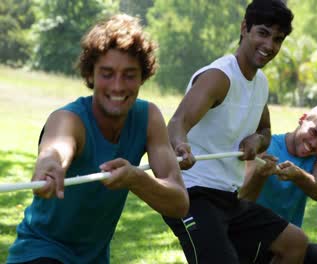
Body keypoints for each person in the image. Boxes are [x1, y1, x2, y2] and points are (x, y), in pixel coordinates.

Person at [6, 14, 189, 264]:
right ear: (90, 75)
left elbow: (179, 202)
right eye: (107, 73)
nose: (117, 86)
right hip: (41, 252)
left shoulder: (149, 118)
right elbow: (57, 148)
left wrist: (136, 179)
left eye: (129, 75)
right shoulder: (69, 118)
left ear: (143, 77)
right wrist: (49, 167)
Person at [164, 0, 309, 263]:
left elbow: (265, 130)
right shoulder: (219, 76)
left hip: (228, 198)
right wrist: (180, 145)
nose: (269, 46)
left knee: (295, 243)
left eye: (277, 39)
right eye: (263, 33)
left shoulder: (260, 83)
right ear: (244, 28)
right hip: (192, 194)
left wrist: (258, 139)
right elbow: (177, 123)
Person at [239, 105, 317, 264]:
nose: (314, 144)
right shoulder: (268, 146)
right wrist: (260, 175)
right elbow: (243, 198)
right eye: (313, 132)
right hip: (252, 238)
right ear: (302, 119)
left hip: (290, 245)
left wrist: (298, 175)